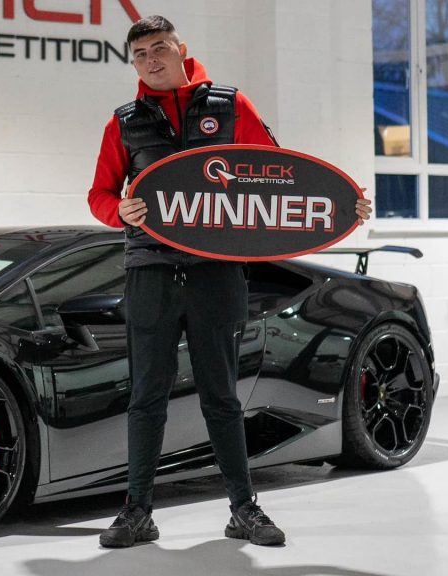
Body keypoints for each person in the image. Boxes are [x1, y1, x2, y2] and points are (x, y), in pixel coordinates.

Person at [87, 15, 372, 548]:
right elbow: (99, 193)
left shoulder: (229, 105)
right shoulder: (123, 123)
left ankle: (244, 508)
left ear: (181, 49)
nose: (151, 60)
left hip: (216, 273)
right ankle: (137, 512)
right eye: (141, 54)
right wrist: (117, 210)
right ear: (134, 63)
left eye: (160, 48)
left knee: (221, 396)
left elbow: (280, 173)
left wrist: (341, 203)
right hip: (149, 270)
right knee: (146, 396)